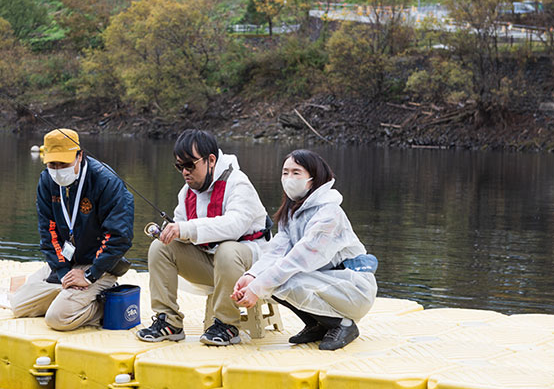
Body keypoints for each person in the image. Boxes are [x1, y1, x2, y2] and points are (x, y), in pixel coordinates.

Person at [232, 149, 377, 351]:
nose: (289, 178)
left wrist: (258, 287)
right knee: (270, 279)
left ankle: (342, 324)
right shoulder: (293, 213)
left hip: (352, 288)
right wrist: (252, 276)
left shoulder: (329, 213)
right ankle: (318, 324)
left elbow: (298, 259)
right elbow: (276, 252)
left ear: (313, 179)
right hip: (327, 283)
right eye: (285, 172)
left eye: (296, 173)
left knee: (280, 281)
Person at [137, 129, 269, 346]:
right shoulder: (186, 191)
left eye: (190, 165)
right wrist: (170, 232)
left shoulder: (238, 183)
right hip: (213, 263)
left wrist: (185, 228)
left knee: (227, 251)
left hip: (250, 266)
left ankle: (227, 325)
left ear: (211, 160)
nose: (185, 172)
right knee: (160, 247)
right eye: (180, 166)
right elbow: (181, 226)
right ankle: (168, 322)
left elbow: (234, 226)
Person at [8, 128, 134, 330]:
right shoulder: (47, 181)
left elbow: (119, 236)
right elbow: (48, 232)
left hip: (98, 265)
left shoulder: (106, 181)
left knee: (57, 319)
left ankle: (103, 303)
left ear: (79, 156)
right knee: (18, 305)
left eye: (64, 164)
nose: (58, 170)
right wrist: (63, 272)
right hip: (67, 261)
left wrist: (90, 275)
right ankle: (70, 295)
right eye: (52, 164)